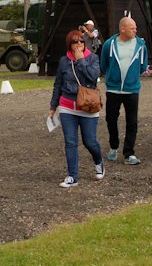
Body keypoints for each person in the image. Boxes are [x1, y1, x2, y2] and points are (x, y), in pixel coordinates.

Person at [49, 30, 104, 188]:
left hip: (88, 106)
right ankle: (72, 176)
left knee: (90, 141)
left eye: (81, 41)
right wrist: (53, 106)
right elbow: (58, 83)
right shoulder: (63, 61)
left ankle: (99, 161)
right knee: (70, 142)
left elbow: (93, 77)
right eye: (75, 41)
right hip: (67, 106)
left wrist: (81, 61)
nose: (79, 44)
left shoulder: (92, 58)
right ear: (69, 45)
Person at [100, 16, 148, 165]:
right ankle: (114, 146)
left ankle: (129, 153)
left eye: (135, 27)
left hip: (132, 89)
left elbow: (142, 66)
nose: (135, 30)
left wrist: (132, 78)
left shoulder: (140, 45)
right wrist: (112, 77)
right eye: (132, 28)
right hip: (113, 89)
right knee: (111, 119)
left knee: (132, 121)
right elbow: (104, 64)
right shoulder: (109, 44)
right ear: (123, 29)